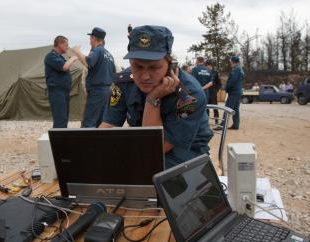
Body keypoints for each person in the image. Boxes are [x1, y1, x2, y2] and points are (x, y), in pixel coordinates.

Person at [100, 25, 213, 168]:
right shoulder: (123, 82)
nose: (145, 76)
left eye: (154, 67)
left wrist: (153, 98)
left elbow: (154, 148)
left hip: (185, 157)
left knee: (133, 168)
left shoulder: (190, 96)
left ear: (170, 64)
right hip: (142, 148)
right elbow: (108, 125)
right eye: (137, 67)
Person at [72, 27, 116, 127]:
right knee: (101, 121)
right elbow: (113, 74)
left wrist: (77, 51)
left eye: (90, 38)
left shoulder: (97, 50)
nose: (89, 41)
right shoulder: (109, 54)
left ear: (94, 38)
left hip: (97, 90)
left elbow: (88, 62)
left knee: (88, 121)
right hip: (107, 90)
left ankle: (86, 142)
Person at [44, 35, 78, 128]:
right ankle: (58, 141)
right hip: (57, 92)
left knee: (64, 119)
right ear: (60, 44)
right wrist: (74, 58)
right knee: (60, 119)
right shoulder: (51, 56)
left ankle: (62, 140)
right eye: (66, 44)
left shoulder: (60, 57)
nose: (67, 47)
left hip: (64, 92)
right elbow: (64, 67)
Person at [217, 55, 244, 130]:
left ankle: (222, 125)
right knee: (235, 109)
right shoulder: (240, 69)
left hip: (234, 91)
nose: (230, 63)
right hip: (238, 91)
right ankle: (236, 125)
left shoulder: (236, 69)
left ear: (232, 61)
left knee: (227, 108)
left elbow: (233, 81)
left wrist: (227, 88)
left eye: (230, 61)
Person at [206, 59, 221, 123]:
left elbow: (219, 82)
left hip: (213, 92)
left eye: (208, 66)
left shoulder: (215, 72)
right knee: (206, 107)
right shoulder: (205, 72)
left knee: (215, 107)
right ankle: (206, 121)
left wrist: (216, 90)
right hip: (206, 92)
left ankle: (216, 120)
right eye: (206, 66)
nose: (207, 67)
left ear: (210, 65)